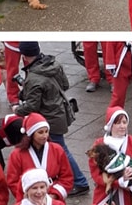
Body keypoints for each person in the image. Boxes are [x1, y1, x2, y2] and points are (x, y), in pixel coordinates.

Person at [13, 42, 90, 191]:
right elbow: (65, 85)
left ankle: (80, 182)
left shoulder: (34, 77)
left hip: (48, 120)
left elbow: (32, 106)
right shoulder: (53, 63)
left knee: (61, 150)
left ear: (24, 57)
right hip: (60, 112)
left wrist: (17, 109)